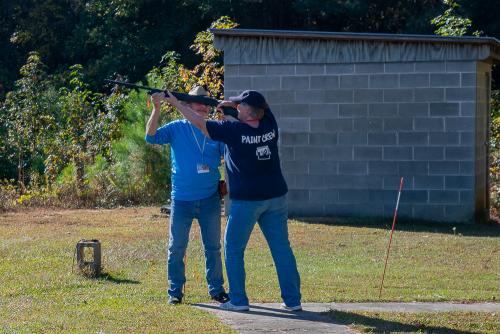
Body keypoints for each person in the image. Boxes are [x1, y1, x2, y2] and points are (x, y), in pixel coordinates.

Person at [162, 89, 302, 312]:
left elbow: (199, 122)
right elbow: (261, 108)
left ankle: (238, 300)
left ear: (248, 112)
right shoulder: (270, 125)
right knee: (282, 249)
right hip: (275, 197)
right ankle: (293, 301)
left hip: (247, 201)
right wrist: (230, 107)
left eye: (240, 105)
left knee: (233, 249)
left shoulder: (233, 131)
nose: (236, 107)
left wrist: (178, 104)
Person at [145, 86, 229, 305]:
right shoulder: (176, 128)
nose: (202, 106)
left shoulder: (215, 129)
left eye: (205, 102)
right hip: (181, 199)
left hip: (210, 198)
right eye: (197, 102)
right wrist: (156, 108)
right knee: (176, 248)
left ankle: (217, 290)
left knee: (213, 247)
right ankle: (175, 291)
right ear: (189, 104)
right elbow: (151, 136)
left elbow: (230, 156)